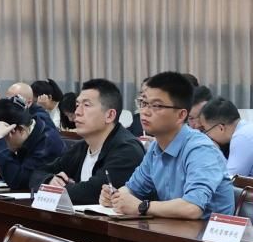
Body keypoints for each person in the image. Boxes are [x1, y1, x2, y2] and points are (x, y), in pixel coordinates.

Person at [101, 72, 235, 219]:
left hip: (206, 231)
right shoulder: (155, 148)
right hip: (173, 228)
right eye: (143, 103)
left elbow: (192, 208)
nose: (144, 111)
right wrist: (116, 197)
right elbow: (133, 189)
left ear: (181, 115)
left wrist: (141, 206)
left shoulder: (200, 149)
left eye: (156, 105)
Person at [31, 79, 144, 202]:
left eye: (86, 105)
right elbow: (36, 173)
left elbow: (92, 192)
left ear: (110, 115)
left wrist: (53, 189)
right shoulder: (82, 147)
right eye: (77, 105)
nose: (77, 112)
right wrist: (50, 180)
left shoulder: (127, 150)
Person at [0, 98, 66, 189]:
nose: (1, 145)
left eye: (1, 139)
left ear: (19, 130)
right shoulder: (29, 135)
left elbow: (20, 181)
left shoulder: (48, 143)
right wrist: (0, 169)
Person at [199, 97, 253, 178]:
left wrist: (215, 150)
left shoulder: (242, 137)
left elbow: (230, 179)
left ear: (220, 128)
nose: (207, 135)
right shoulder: (245, 128)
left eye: (206, 130)